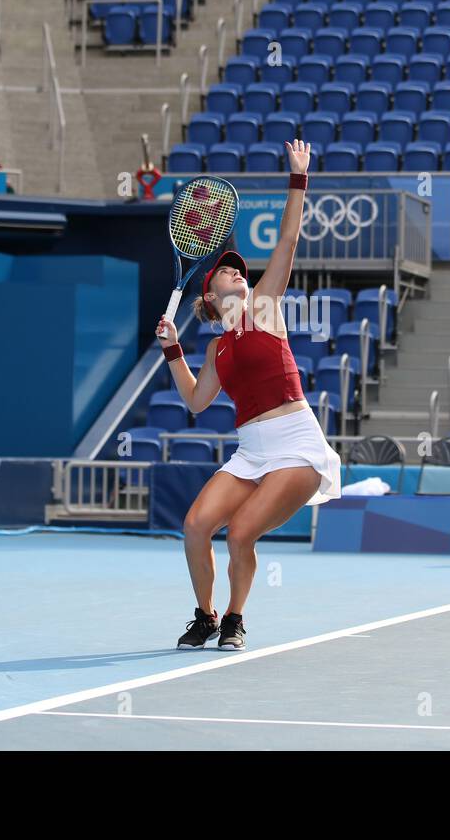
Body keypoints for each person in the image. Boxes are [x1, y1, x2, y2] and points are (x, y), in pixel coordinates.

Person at [156, 139, 341, 651]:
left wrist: (298, 176)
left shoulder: (265, 306)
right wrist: (174, 352)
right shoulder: (216, 348)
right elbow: (196, 403)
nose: (238, 270)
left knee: (240, 533)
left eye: (240, 268)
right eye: (227, 269)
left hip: (297, 443)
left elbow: (287, 241)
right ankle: (206, 615)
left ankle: (235, 618)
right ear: (210, 296)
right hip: (251, 450)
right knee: (195, 526)